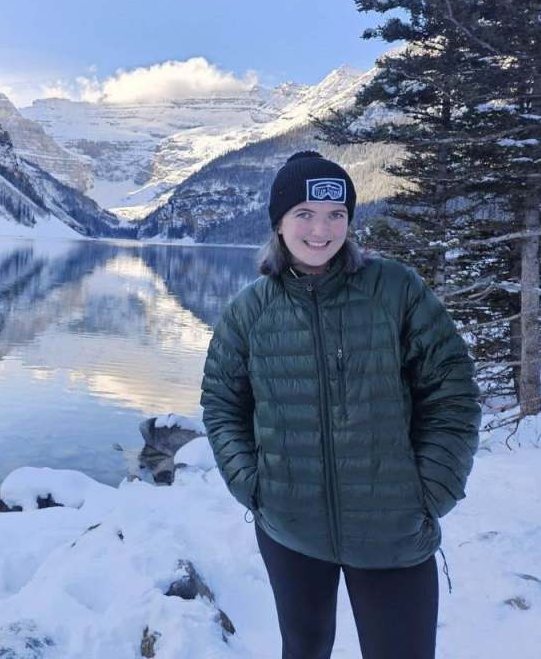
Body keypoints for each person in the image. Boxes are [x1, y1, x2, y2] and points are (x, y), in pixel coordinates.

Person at [199, 150, 481, 659]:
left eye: (336, 215)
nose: (320, 230)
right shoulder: (249, 311)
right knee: (303, 649)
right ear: (279, 223)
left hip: (392, 527)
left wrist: (431, 490)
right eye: (303, 214)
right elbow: (223, 404)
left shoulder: (395, 289)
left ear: (350, 222)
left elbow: (452, 389)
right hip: (290, 528)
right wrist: (253, 484)